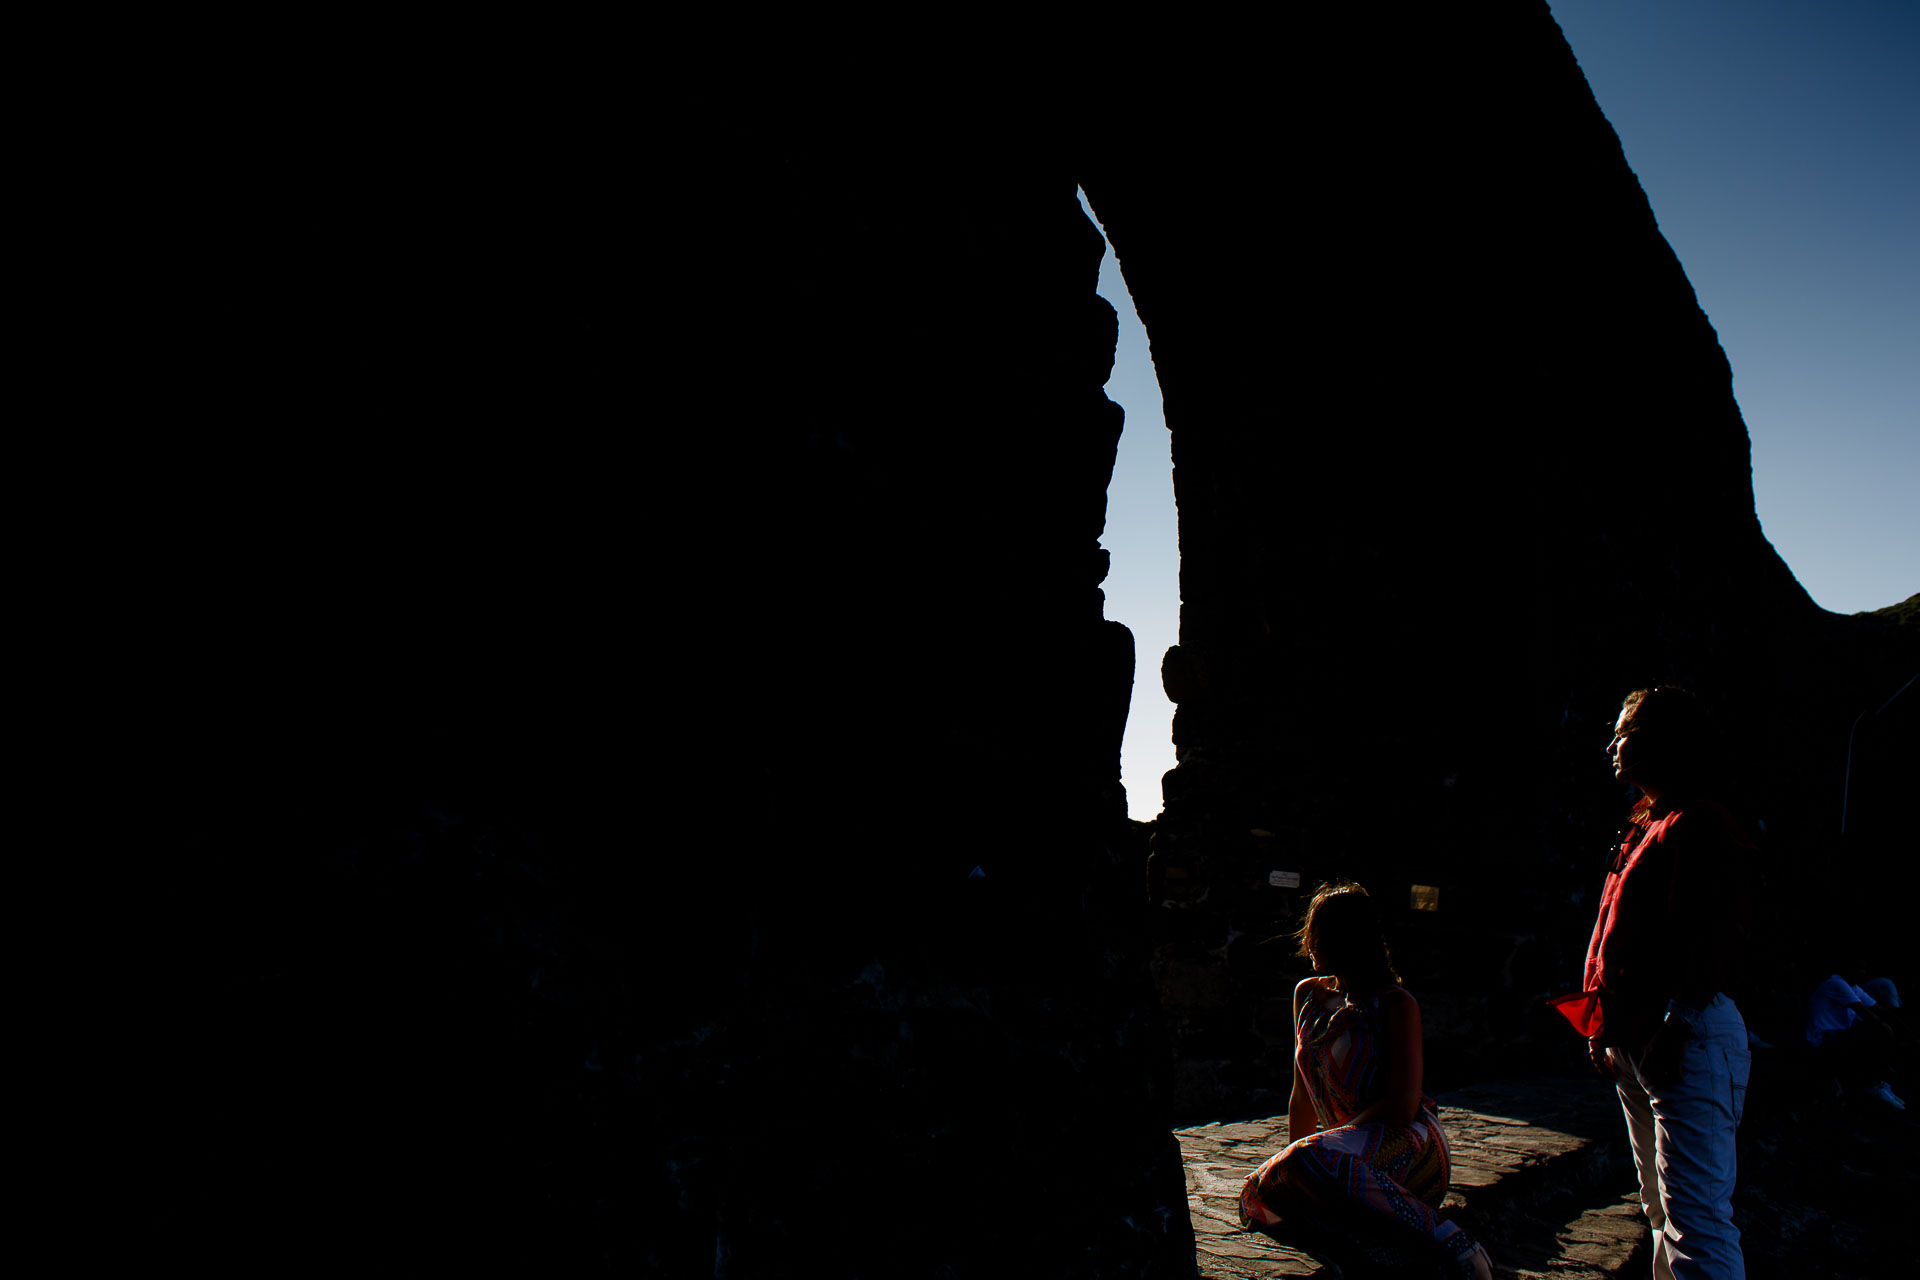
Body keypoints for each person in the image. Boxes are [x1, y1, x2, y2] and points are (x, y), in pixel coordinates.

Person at [1551, 686, 1755, 1280]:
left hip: (1684, 1037)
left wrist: (1677, 1023)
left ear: (1662, 740)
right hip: (1644, 1037)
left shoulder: (1701, 825)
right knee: (1661, 1208)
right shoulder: (1650, 824)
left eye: (1625, 732)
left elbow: (1720, 933)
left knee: (1696, 1217)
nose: (1614, 744)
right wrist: (1605, 1029)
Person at [1240, 881, 1493, 1279]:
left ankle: (1457, 1245)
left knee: (1306, 1163)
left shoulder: (1395, 1004)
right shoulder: (1306, 995)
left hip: (1407, 1145)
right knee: (1259, 1194)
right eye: (1313, 932)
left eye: (1321, 933)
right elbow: (1301, 1096)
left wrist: (1321, 1151)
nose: (1312, 943)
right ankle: (1368, 1252)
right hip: (1340, 1153)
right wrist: (1306, 1162)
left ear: (1349, 939)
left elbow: (1402, 1106)